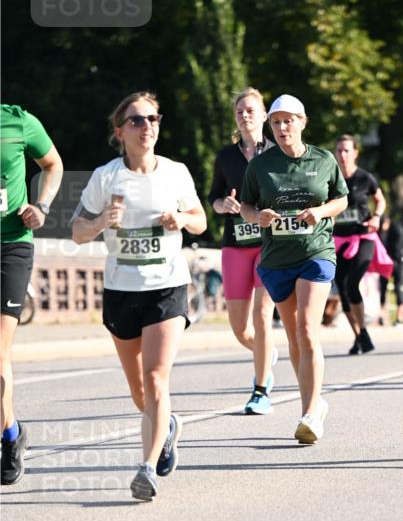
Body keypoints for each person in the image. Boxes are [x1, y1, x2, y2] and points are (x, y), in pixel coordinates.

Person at [72, 91, 207, 500]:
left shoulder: (176, 172)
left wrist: (180, 218)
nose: (147, 126)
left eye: (153, 118)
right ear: (120, 131)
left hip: (166, 286)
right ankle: (168, 427)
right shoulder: (106, 177)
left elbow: (200, 221)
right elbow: (77, 232)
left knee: (156, 378)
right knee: (139, 392)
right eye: (136, 120)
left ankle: (145, 468)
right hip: (121, 291)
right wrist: (100, 222)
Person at [239, 95, 348, 443]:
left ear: (302, 121)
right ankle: (313, 405)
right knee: (293, 338)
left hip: (316, 251)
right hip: (276, 260)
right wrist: (258, 217)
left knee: (306, 327)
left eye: (289, 121)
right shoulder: (260, 166)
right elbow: (245, 205)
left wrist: (322, 212)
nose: (283, 128)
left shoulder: (324, 159)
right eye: (276, 122)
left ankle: (310, 414)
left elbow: (341, 199)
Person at [1, 104, 63, 485]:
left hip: (11, 247)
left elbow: (52, 164)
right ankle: (11, 432)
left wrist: (41, 206)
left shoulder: (18, 120)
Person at [208, 88, 277, 414]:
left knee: (262, 315)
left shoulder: (278, 153)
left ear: (264, 115)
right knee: (240, 328)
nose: (245, 115)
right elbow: (214, 198)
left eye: (251, 110)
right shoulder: (226, 157)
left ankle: (261, 390)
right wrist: (225, 204)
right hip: (235, 244)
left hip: (269, 244)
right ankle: (265, 353)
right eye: (239, 111)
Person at [333, 135, 392, 354]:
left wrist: (377, 216)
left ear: (356, 152)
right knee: (343, 288)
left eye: (347, 150)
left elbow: (381, 199)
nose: (343, 155)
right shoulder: (332, 179)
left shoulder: (365, 178)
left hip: (364, 237)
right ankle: (359, 336)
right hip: (338, 240)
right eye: (339, 150)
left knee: (352, 283)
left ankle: (363, 332)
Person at [379, 213, 403, 325]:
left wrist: (393, 261)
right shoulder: (382, 231)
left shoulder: (396, 229)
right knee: (383, 287)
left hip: (398, 260)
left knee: (398, 287)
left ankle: (400, 316)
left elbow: (397, 248)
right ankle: (382, 315)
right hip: (386, 261)